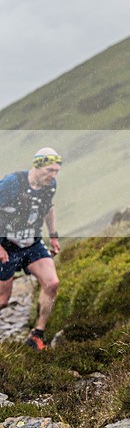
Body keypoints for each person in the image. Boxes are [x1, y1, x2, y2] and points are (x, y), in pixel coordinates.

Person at [0, 148, 63, 350]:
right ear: (37, 165)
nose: (53, 175)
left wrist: (53, 235)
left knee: (52, 283)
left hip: (32, 243)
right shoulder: (12, 183)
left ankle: (37, 334)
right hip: (6, 244)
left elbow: (48, 207)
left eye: (56, 171)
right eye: (50, 170)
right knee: (2, 299)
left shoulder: (50, 185)